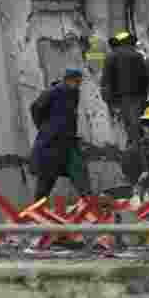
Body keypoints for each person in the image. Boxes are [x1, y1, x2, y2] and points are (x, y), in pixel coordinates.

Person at [29, 68, 93, 202]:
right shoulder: (53, 92)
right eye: (77, 81)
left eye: (80, 81)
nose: (79, 83)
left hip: (68, 141)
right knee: (46, 178)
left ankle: (89, 201)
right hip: (52, 142)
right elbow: (35, 108)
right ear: (69, 79)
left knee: (79, 171)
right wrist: (45, 127)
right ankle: (37, 207)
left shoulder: (75, 93)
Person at [101, 31, 149, 184]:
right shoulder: (137, 55)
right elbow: (145, 79)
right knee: (137, 133)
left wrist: (110, 103)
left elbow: (106, 83)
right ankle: (141, 167)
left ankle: (135, 170)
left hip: (122, 100)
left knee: (130, 133)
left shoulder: (111, 56)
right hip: (138, 100)